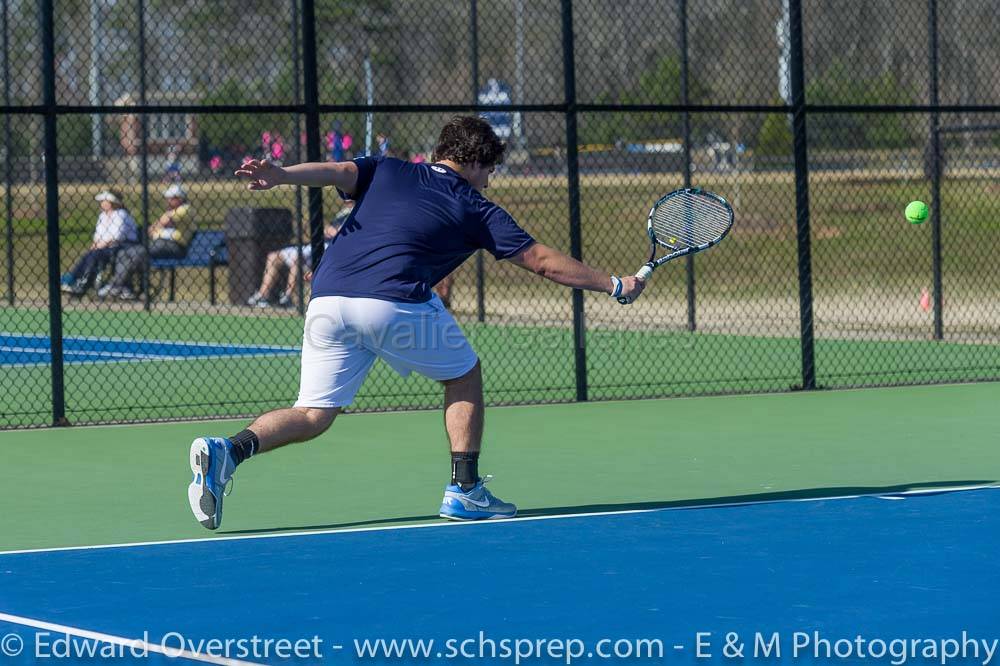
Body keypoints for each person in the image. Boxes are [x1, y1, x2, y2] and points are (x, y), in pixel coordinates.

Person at [187, 116, 644, 530]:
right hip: (391, 302)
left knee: (312, 414)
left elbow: (337, 171)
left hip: (326, 300)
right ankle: (465, 490)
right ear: (475, 162)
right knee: (464, 374)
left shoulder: (389, 168)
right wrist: (614, 284)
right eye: (489, 169)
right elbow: (541, 261)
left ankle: (229, 450)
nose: (489, 179)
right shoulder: (475, 207)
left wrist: (281, 175)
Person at [246, 202, 352, 308]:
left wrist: (330, 230)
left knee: (297, 258)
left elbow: (338, 233)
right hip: (314, 245)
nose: (346, 200)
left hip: (330, 247)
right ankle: (263, 296)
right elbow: (326, 230)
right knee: (273, 256)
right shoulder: (342, 213)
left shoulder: (356, 213)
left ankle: (287, 297)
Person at [100, 184, 195, 300]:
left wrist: (158, 225)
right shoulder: (171, 210)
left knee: (138, 252)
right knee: (124, 252)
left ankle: (116, 285)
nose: (168, 200)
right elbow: (152, 229)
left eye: (171, 197)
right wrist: (158, 225)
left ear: (179, 198)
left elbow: (164, 221)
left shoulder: (185, 209)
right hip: (159, 243)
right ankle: (124, 287)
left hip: (175, 246)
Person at [61, 190, 138, 296]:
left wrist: (100, 245)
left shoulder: (121, 214)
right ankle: (73, 279)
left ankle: (82, 283)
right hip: (106, 247)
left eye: (104, 201)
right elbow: (98, 235)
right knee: (88, 255)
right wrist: (96, 244)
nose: (102, 203)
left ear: (112, 202)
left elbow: (117, 236)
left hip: (123, 246)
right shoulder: (103, 216)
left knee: (95, 254)